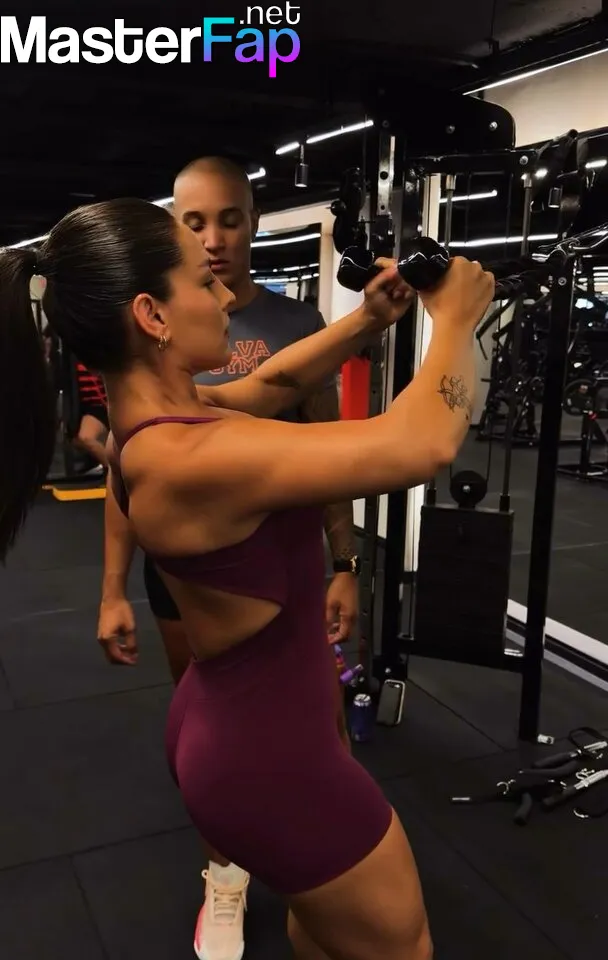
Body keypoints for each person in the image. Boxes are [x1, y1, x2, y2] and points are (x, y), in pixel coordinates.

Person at [0, 197, 494, 960]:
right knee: (403, 949)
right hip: (267, 758)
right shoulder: (185, 461)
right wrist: (456, 321)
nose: (227, 296)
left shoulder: (166, 419)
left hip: (243, 719)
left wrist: (369, 319)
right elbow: (420, 445)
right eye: (204, 282)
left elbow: (271, 384)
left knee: (322, 928)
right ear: (152, 316)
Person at [97, 158, 357, 960]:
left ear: (253, 223)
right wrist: (111, 588)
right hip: (192, 573)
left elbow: (330, 445)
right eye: (194, 223)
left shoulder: (293, 323)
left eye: (229, 219)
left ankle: (325, 869)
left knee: (317, 724)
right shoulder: (152, 328)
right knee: (219, 724)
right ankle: (227, 878)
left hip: (283, 570)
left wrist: (346, 563)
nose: (213, 239)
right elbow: (124, 465)